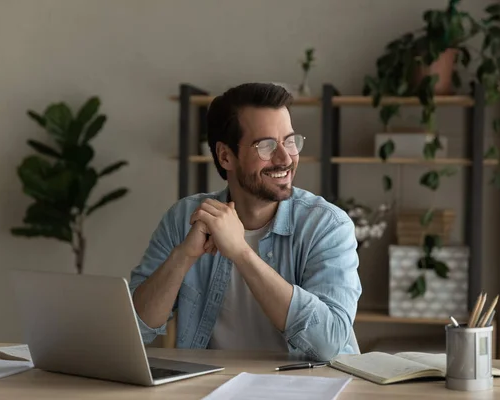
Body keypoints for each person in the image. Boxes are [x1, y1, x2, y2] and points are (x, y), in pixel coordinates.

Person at [129, 82, 361, 361]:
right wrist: (183, 256)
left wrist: (241, 252)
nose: (285, 157)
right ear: (226, 156)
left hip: (306, 388)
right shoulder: (185, 218)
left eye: (290, 141)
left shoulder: (327, 225)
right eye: (266, 145)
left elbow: (329, 345)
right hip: (210, 387)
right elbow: (136, 329)